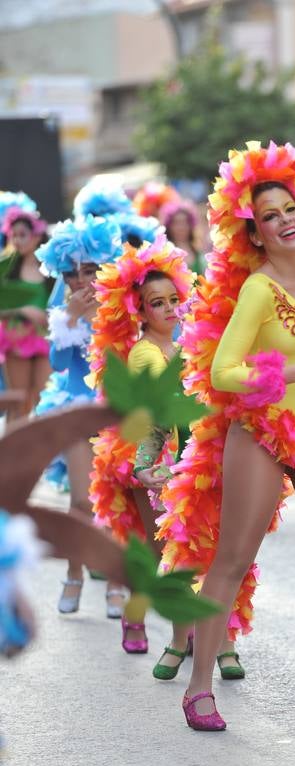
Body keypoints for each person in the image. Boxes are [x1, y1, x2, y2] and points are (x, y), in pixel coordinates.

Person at [157, 140, 295, 732]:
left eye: (290, 209)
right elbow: (223, 373)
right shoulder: (256, 290)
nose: (285, 221)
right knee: (232, 558)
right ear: (253, 233)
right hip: (258, 429)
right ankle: (199, 687)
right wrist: (291, 374)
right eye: (269, 216)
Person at [88, 236, 198, 671]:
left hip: (186, 456)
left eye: (175, 299)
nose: (171, 308)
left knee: (181, 547)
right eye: (158, 303)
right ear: (140, 311)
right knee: (159, 550)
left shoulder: (185, 346)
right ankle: (145, 623)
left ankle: (189, 632)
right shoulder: (144, 353)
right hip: (152, 459)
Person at [35, 215, 127, 617]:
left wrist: (94, 321)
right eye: (70, 273)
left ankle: (115, 586)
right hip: (75, 411)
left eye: (88, 270)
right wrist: (70, 318)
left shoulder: (122, 303)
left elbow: (124, 362)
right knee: (80, 501)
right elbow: (57, 361)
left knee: (119, 505)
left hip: (117, 412)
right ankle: (74, 573)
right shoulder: (64, 304)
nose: (79, 280)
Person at [0, 207, 54, 423]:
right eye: (13, 236)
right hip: (15, 338)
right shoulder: (5, 269)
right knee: (19, 403)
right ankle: (12, 456)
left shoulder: (51, 268)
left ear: (37, 235)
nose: (18, 241)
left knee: (46, 400)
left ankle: (47, 456)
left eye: (22, 235)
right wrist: (22, 311)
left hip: (44, 338)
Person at [160, 198, 205, 273]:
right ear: (169, 226)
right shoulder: (164, 252)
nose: (181, 227)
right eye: (176, 223)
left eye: (185, 222)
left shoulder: (197, 250)